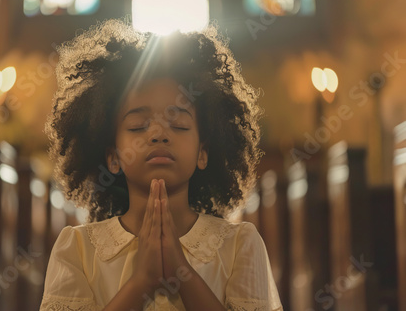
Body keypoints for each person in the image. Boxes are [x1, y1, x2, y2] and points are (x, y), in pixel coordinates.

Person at [39, 17, 282, 311]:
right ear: (113, 157)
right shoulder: (77, 248)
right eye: (138, 125)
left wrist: (183, 274)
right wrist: (141, 282)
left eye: (178, 124)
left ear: (203, 152)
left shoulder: (240, 245)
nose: (158, 134)